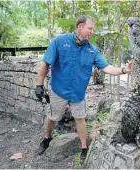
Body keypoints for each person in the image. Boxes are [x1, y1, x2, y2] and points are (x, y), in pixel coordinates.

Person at [35, 15, 132, 161]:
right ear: (80, 27)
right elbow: (45, 64)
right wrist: (39, 85)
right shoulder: (59, 42)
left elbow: (108, 68)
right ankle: (47, 138)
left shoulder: (92, 50)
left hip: (78, 93)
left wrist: (124, 70)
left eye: (93, 29)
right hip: (58, 90)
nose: (92, 32)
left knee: (80, 118)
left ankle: (84, 147)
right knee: (53, 117)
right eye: (90, 28)